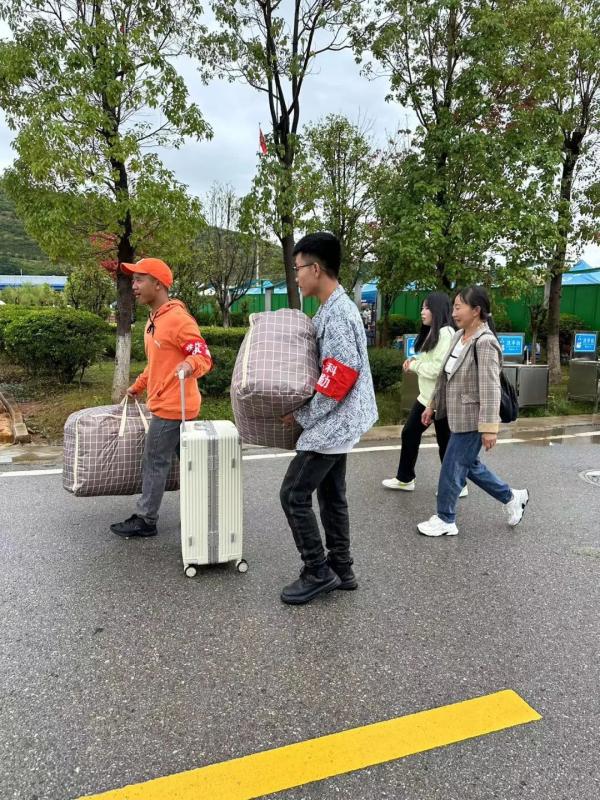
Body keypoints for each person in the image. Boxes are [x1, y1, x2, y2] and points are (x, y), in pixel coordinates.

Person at [279, 233, 378, 605]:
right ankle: (342, 568)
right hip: (343, 421)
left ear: (316, 269)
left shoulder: (336, 314)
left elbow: (339, 378)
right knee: (332, 495)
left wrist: (302, 414)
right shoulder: (331, 309)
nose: (297, 277)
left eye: (298, 269)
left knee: (293, 494)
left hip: (334, 423)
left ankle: (318, 571)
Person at [110, 258, 213, 538]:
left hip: (172, 406)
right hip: (171, 403)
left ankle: (146, 519)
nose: (134, 286)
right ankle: (203, 514)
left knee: (154, 461)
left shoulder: (178, 319)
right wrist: (138, 386)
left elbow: (203, 356)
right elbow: (157, 363)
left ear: (158, 284)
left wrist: (189, 365)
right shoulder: (154, 320)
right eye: (133, 280)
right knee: (189, 463)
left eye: (139, 280)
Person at [417, 286, 529, 537]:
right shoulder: (459, 336)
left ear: (476, 310)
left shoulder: (485, 342)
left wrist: (489, 429)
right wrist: (432, 405)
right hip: (454, 415)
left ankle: (445, 518)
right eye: (454, 308)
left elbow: (490, 389)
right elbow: (444, 377)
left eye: (459, 307)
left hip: (473, 418)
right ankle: (512, 497)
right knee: (468, 466)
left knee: (452, 466)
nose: (454, 313)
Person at [381, 292, 466, 495]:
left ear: (437, 310)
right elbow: (430, 361)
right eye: (422, 308)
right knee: (410, 433)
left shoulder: (446, 334)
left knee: (445, 442)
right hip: (427, 398)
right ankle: (405, 479)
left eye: (426, 308)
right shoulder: (436, 333)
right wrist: (415, 361)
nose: (422, 312)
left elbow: (438, 369)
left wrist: (414, 366)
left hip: (441, 399)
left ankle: (458, 484)